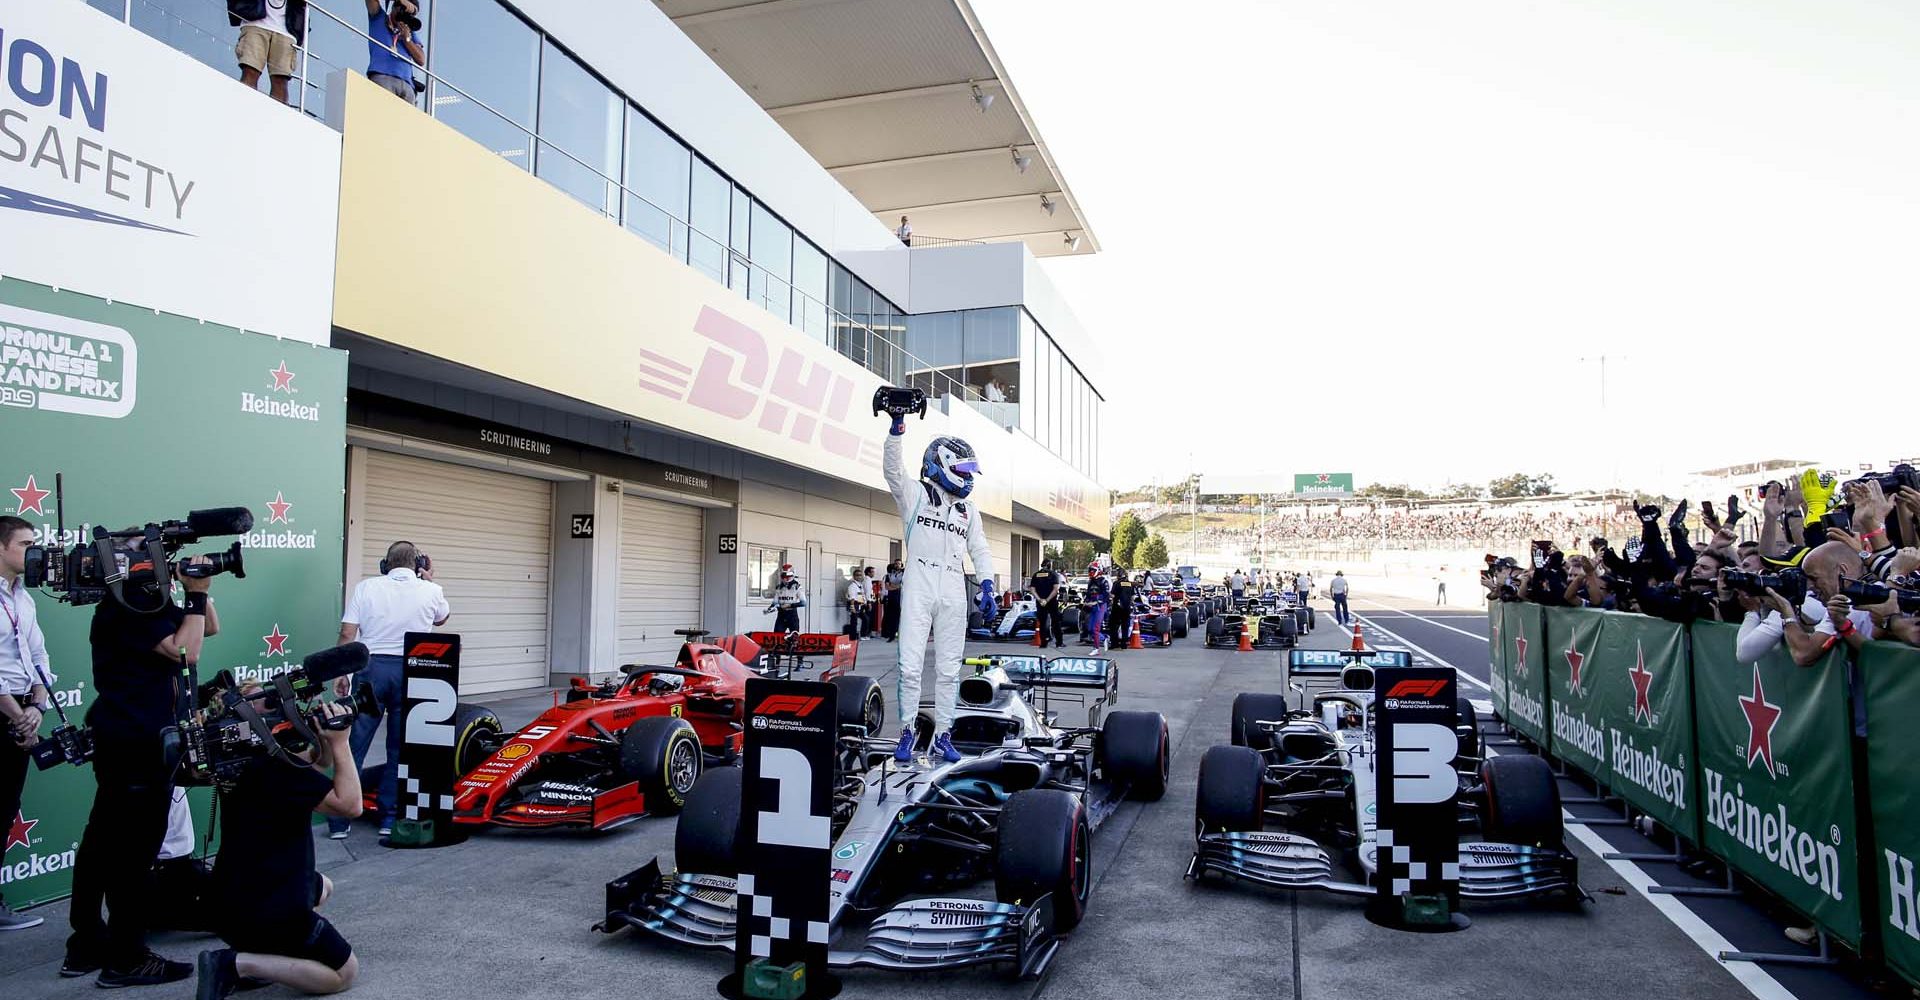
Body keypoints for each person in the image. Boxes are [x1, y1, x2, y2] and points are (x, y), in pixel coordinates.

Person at [65, 541, 220, 986]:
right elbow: (187, 653)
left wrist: (199, 591)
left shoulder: (144, 601)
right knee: (132, 853)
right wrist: (192, 594)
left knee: (100, 843)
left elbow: (206, 629)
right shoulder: (130, 605)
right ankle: (127, 959)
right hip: (137, 743)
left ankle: (88, 944)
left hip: (128, 739)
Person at [195, 701, 361, 998]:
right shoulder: (281, 770)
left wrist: (322, 735)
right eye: (273, 706)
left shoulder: (239, 760)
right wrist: (342, 742)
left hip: (225, 902)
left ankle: (262, 952)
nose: (286, 711)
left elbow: (316, 762)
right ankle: (237, 965)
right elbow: (350, 805)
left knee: (323, 886)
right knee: (344, 973)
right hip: (272, 909)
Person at [881, 406, 994, 765]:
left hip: (953, 585)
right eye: (962, 470)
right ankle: (907, 732)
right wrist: (897, 429)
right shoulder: (913, 495)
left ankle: (944, 734)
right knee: (910, 666)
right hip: (919, 579)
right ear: (940, 464)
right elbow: (892, 470)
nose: (967, 477)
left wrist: (988, 584)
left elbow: (980, 547)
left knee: (948, 668)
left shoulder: (968, 510)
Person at [328, 541, 449, 839]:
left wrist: (342, 670)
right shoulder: (431, 590)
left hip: (371, 671)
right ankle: (388, 817)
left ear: (385, 564)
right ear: (417, 563)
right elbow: (442, 617)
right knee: (399, 747)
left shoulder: (366, 588)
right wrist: (429, 579)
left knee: (354, 743)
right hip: (413, 670)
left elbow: (347, 632)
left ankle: (339, 821)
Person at [0, 516, 53, 931]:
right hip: (4, 713)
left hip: (21, 712)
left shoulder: (24, 598)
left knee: (5, 807)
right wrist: (18, 716)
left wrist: (37, 705)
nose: (34, 551)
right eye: (25, 543)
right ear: (1, 547)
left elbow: (37, 655)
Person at [228, 0, 308, 106]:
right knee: (250, 71)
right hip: (255, 22)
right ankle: (243, 109)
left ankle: (276, 119)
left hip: (287, 30)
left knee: (280, 80)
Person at [365, 0, 425, 102]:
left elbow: (421, 60)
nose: (405, 18)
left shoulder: (409, 32)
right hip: (383, 76)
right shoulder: (379, 18)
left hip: (407, 85)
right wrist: (400, 0)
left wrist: (407, 39)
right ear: (394, 7)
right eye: (404, 12)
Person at [1029, 560, 1065, 648]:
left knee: (1042, 622)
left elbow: (1032, 589)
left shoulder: (1036, 575)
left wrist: (1040, 600)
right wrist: (1047, 600)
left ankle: (1043, 643)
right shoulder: (1053, 574)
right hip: (1051, 601)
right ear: (1050, 565)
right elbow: (1055, 589)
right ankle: (1059, 643)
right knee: (1055, 622)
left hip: (1040, 602)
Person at [765, 564, 805, 633]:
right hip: (781, 615)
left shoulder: (797, 587)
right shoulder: (779, 587)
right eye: (784, 576)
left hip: (792, 615)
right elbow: (775, 601)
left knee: (794, 638)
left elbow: (803, 602)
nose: (786, 579)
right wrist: (770, 608)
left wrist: (790, 605)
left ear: (793, 576)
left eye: (788, 576)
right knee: (777, 637)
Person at [1081, 563, 1110, 647]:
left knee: (1095, 628)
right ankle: (1104, 638)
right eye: (1090, 570)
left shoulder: (1104, 581)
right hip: (1092, 607)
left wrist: (1097, 602)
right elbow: (1088, 594)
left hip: (1100, 607)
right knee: (1090, 628)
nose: (1091, 572)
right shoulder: (1091, 581)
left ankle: (1096, 648)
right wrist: (1086, 602)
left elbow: (1106, 596)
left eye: (1093, 570)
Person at [1109, 571, 1138, 649]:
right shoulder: (1130, 584)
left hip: (1117, 607)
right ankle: (1124, 644)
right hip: (1126, 607)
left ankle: (1114, 644)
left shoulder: (1116, 583)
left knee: (1113, 625)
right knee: (1125, 625)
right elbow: (1133, 597)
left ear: (1118, 576)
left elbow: (1112, 595)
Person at [880, 562, 903, 641]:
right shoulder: (887, 576)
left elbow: (900, 585)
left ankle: (889, 633)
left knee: (891, 616)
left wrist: (894, 586)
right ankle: (888, 633)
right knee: (889, 616)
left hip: (895, 597)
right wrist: (897, 587)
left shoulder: (902, 575)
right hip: (889, 597)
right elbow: (887, 587)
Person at [845, 570, 870, 639]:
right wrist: (852, 608)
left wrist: (864, 603)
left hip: (860, 605)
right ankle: (853, 637)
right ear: (854, 576)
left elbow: (860, 595)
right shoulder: (852, 586)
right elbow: (852, 598)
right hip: (854, 604)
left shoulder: (859, 585)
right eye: (857, 575)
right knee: (854, 621)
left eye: (860, 575)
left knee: (866, 619)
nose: (859, 576)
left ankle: (863, 635)